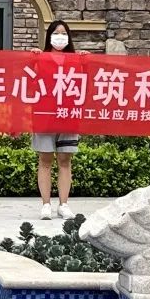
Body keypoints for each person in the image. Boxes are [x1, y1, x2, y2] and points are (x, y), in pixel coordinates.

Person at [32, 20, 89, 221]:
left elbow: (87, 83)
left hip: (68, 114)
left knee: (65, 160)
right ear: (49, 36)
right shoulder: (40, 58)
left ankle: (63, 205)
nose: (60, 37)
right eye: (56, 33)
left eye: (64, 33)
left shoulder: (76, 59)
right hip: (44, 114)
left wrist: (86, 63)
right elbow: (28, 79)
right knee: (45, 159)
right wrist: (32, 60)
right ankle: (46, 205)